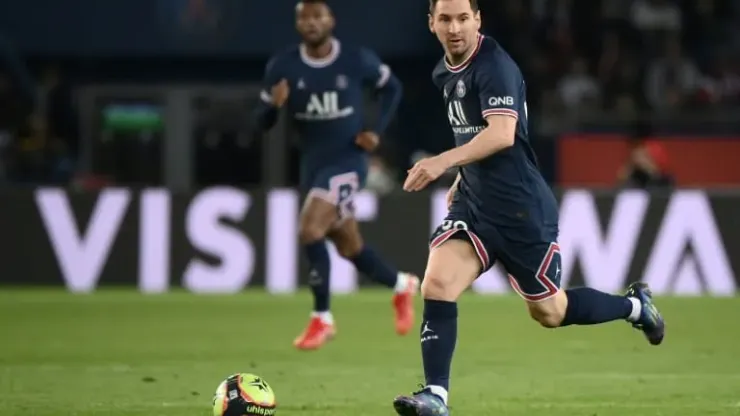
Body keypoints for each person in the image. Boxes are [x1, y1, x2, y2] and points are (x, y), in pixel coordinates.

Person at [392, 0, 665, 414]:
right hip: (475, 206)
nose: (455, 28)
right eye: (445, 19)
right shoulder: (443, 72)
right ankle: (436, 396)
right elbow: (472, 131)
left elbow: (503, 133)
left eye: (463, 18)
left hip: (520, 210)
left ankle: (635, 307)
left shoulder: (494, 65)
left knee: (550, 311)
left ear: (478, 19)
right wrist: (463, 176)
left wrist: (443, 162)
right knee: (438, 284)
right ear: (431, 23)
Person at [253, 0, 418, 351]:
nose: (311, 23)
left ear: (331, 21)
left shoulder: (355, 59)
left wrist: (375, 131)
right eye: (304, 17)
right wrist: (273, 106)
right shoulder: (283, 66)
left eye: (318, 16)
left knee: (310, 229)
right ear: (297, 23)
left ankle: (322, 319)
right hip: (313, 165)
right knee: (349, 246)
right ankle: (402, 285)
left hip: (348, 161)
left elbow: (393, 88)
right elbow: (261, 123)